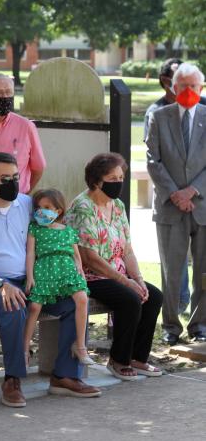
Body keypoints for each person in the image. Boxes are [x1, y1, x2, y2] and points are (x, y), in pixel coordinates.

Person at [0, 152, 101, 405]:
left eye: (16, 176)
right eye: (5, 178)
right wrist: (1, 284)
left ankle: (64, 376)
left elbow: (54, 232)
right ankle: (12, 379)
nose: (13, 182)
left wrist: (70, 267)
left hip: (32, 279)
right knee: (14, 306)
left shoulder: (27, 205)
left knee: (74, 302)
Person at [65, 153, 163, 380]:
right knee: (130, 299)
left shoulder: (117, 205)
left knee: (154, 296)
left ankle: (138, 358)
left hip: (116, 272)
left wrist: (137, 278)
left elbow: (127, 248)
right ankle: (118, 360)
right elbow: (88, 257)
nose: (118, 182)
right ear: (97, 181)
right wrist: (125, 281)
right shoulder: (83, 206)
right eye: (112, 178)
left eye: (121, 177)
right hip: (90, 275)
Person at [146, 62, 206, 345]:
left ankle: (200, 324)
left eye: (194, 86)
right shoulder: (159, 117)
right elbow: (152, 161)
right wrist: (175, 194)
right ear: (173, 87)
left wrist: (192, 191)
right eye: (183, 86)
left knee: (203, 272)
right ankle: (171, 326)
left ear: (201, 88)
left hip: (202, 205)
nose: (189, 91)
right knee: (171, 270)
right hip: (170, 208)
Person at [24, 189, 93, 366]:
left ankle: (80, 346)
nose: (41, 211)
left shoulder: (68, 231)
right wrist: (30, 276)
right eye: (38, 207)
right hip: (44, 270)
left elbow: (76, 254)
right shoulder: (35, 229)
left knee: (82, 299)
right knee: (34, 307)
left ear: (58, 210)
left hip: (66, 270)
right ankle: (24, 348)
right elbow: (30, 253)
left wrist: (80, 270)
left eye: (47, 207)